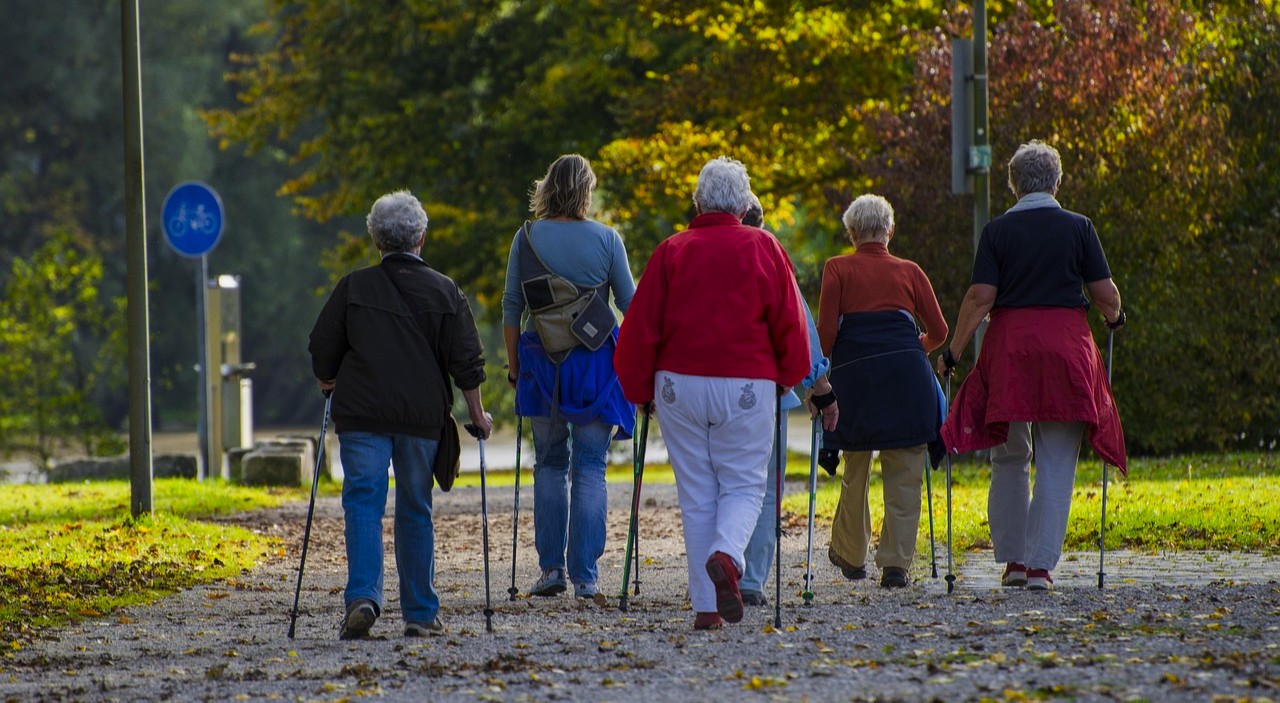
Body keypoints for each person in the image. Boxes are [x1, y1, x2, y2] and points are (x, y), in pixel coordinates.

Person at [614, 157, 811, 630]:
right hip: (746, 381)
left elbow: (641, 328)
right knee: (744, 483)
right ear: (744, 204)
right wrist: (789, 375)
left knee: (697, 492)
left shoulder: (671, 251)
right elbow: (790, 324)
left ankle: (707, 608)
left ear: (697, 201)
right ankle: (727, 555)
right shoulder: (765, 246)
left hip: (679, 383)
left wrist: (640, 389)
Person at [936, 139, 1126, 591]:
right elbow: (1104, 294)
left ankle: (1014, 562)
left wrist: (954, 352)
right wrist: (1116, 317)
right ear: (1057, 181)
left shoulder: (997, 232)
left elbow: (981, 298)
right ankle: (1041, 566)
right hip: (1066, 349)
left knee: (1009, 454)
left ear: (1014, 185)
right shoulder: (1079, 227)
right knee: (1058, 457)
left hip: (1010, 350)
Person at [309, 190, 493, 639]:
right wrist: (478, 414)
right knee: (415, 508)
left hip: (362, 417)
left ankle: (364, 598)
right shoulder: (446, 290)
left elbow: (321, 345)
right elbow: (466, 361)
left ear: (375, 239)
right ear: (421, 239)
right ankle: (421, 613)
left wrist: (328, 379)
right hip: (420, 419)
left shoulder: (353, 287)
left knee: (363, 504)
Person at [501, 154, 636, 600]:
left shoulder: (526, 238)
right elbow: (630, 307)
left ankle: (550, 569)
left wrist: (515, 367)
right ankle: (586, 577)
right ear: (586, 191)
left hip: (542, 362)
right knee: (591, 466)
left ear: (547, 188)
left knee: (549, 463)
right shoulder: (608, 239)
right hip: (596, 364)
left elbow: (510, 309)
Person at [817, 194, 948, 589]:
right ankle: (895, 565)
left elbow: (826, 335)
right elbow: (940, 332)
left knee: (856, 467)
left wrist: (818, 379)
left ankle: (851, 554)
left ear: (852, 233)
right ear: (889, 231)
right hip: (907, 381)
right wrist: (912, 350)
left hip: (855, 381)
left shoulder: (836, 268)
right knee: (906, 470)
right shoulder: (910, 271)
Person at [738, 194, 838, 607]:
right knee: (764, 487)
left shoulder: (694, 253)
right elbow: (800, 330)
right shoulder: (771, 257)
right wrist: (822, 391)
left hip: (704, 390)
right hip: (767, 393)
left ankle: (719, 568)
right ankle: (751, 579)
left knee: (718, 485)